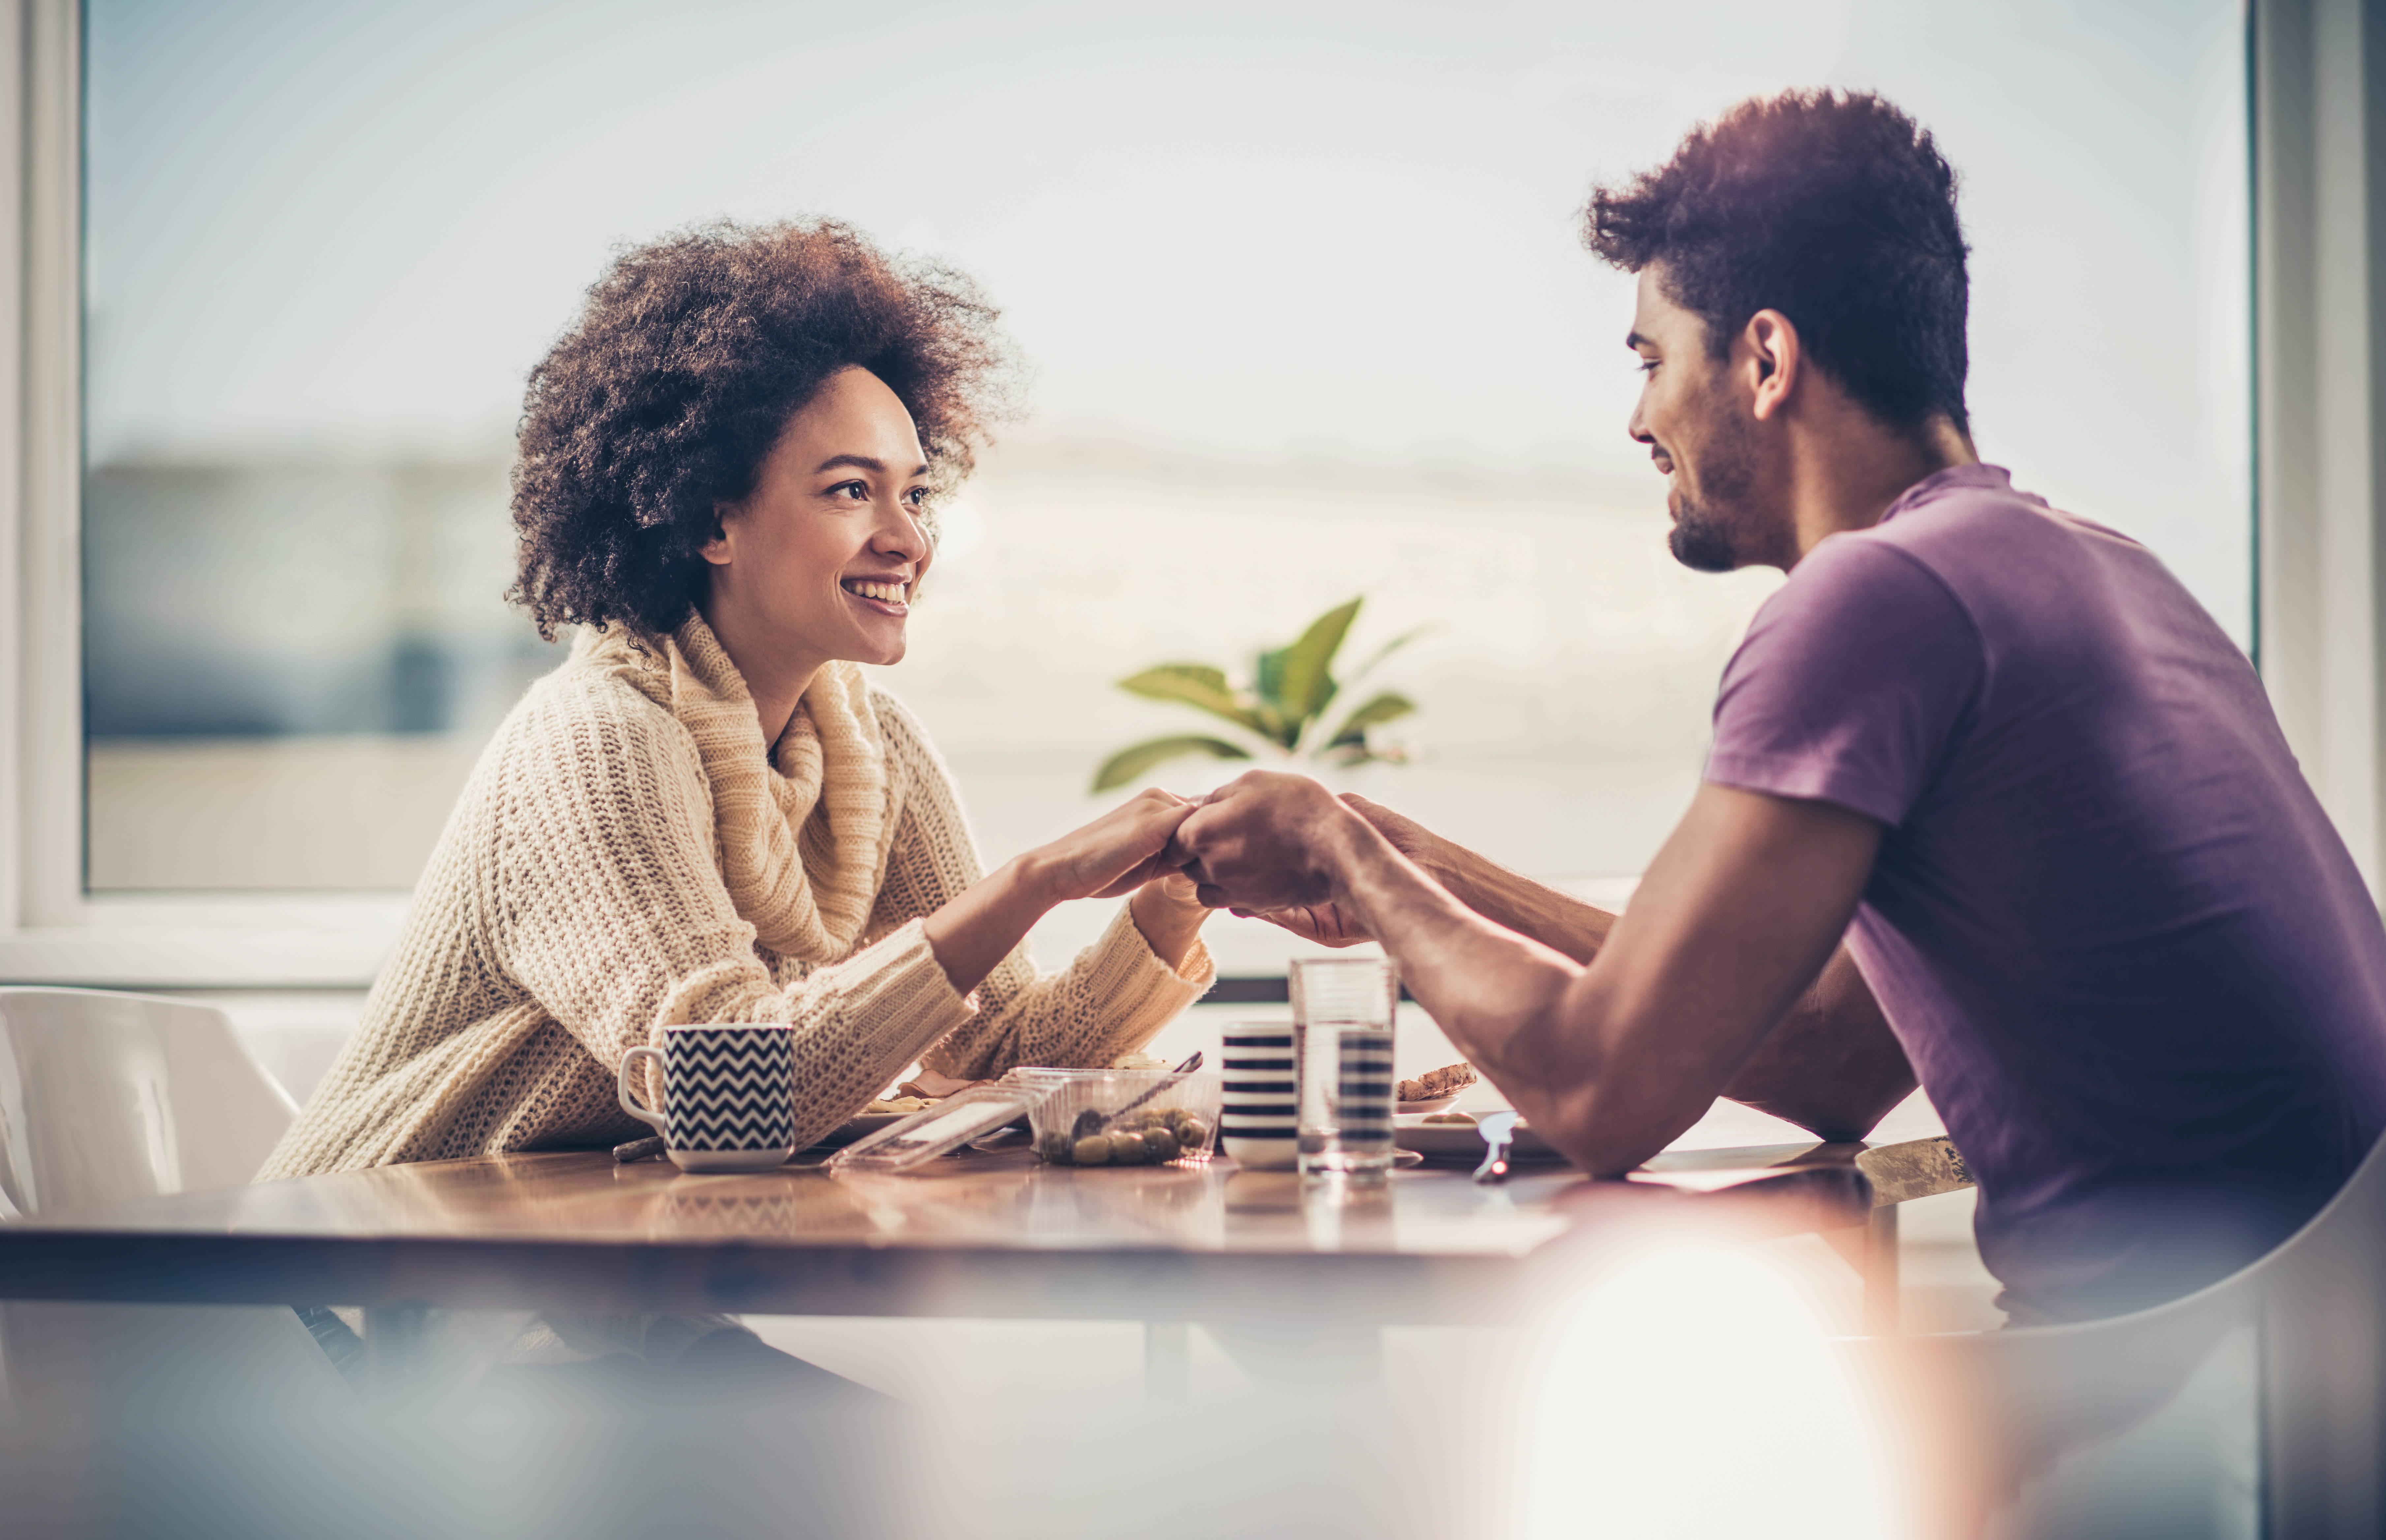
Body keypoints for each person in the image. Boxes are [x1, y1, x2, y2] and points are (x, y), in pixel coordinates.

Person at [1168, 90, 2386, 1325]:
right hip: (2316, 1352)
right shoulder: (2091, 568)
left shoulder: (1876, 600)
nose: (1638, 420)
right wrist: (1409, 857)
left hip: (2187, 1392)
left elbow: (1602, 1094)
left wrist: (1345, 856)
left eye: (1652, 360)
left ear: (1764, 358)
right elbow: (1833, 1055)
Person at [258, 221, 1216, 1378]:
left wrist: (1170, 905)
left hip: (571, 1299)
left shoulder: (870, 746)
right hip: (351, 1319)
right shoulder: (596, 740)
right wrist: (1034, 881)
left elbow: (992, 1056)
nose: (907, 538)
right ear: (711, 518)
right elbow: (725, 1092)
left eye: (917, 494)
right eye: (851, 490)